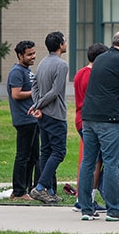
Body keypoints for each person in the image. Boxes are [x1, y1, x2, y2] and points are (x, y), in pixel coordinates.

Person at [77, 30, 119, 221]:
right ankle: (114, 209)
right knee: (112, 163)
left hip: (89, 118)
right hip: (110, 120)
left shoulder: (100, 59)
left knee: (88, 163)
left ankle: (86, 209)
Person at [28, 30, 69, 204]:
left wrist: (37, 103)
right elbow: (55, 91)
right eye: (64, 41)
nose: (66, 43)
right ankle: (39, 188)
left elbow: (35, 85)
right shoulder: (62, 65)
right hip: (56, 115)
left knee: (46, 151)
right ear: (60, 45)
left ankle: (50, 191)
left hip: (43, 116)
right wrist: (39, 104)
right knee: (59, 152)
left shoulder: (42, 62)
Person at [73, 42, 109, 212]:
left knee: (90, 159)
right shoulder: (94, 75)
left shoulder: (80, 73)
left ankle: (84, 197)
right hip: (91, 118)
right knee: (96, 161)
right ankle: (87, 198)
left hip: (79, 117)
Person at [8, 40, 40, 201]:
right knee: (23, 156)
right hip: (24, 120)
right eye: (29, 54)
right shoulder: (17, 72)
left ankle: (25, 189)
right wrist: (35, 92)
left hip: (33, 119)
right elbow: (16, 94)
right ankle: (19, 191)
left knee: (33, 156)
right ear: (20, 55)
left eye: (34, 53)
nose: (33, 57)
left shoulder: (27, 71)